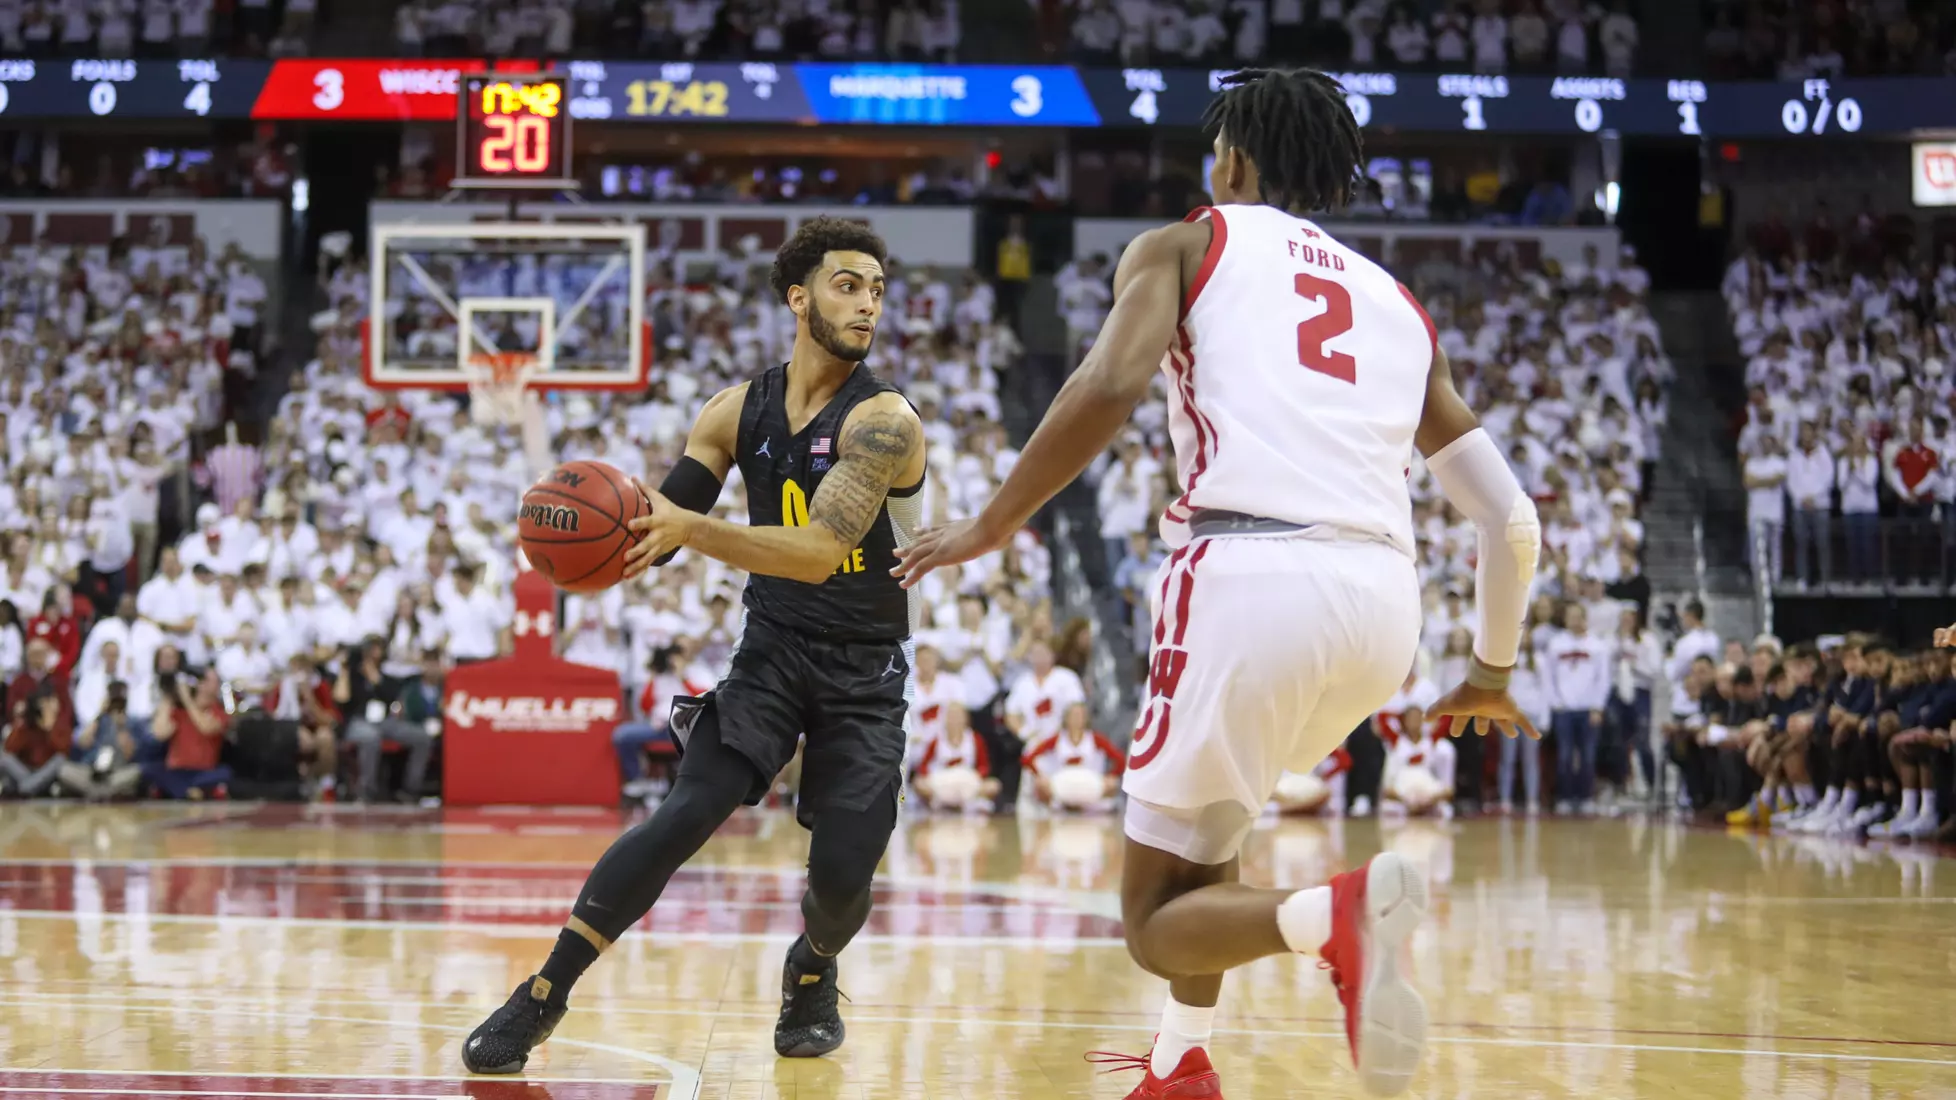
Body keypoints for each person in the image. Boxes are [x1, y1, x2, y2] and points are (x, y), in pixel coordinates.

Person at [893, 69, 1540, 1099]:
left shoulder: (1189, 242)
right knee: (1213, 838)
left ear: (1232, 159)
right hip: (1385, 607)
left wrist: (993, 521)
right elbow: (1512, 519)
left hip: (1250, 573)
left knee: (1152, 917)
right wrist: (1493, 668)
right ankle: (1175, 1065)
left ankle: (1337, 913)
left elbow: (1106, 383)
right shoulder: (1398, 305)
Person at [464, 217, 928, 1073]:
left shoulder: (885, 421)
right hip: (774, 649)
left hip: (866, 670)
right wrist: (590, 521)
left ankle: (813, 968)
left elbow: (823, 553)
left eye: (876, 288)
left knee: (840, 881)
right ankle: (543, 993)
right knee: (683, 813)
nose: (868, 304)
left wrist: (693, 527)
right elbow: (660, 530)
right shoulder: (731, 412)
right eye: (847, 285)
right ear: (799, 299)